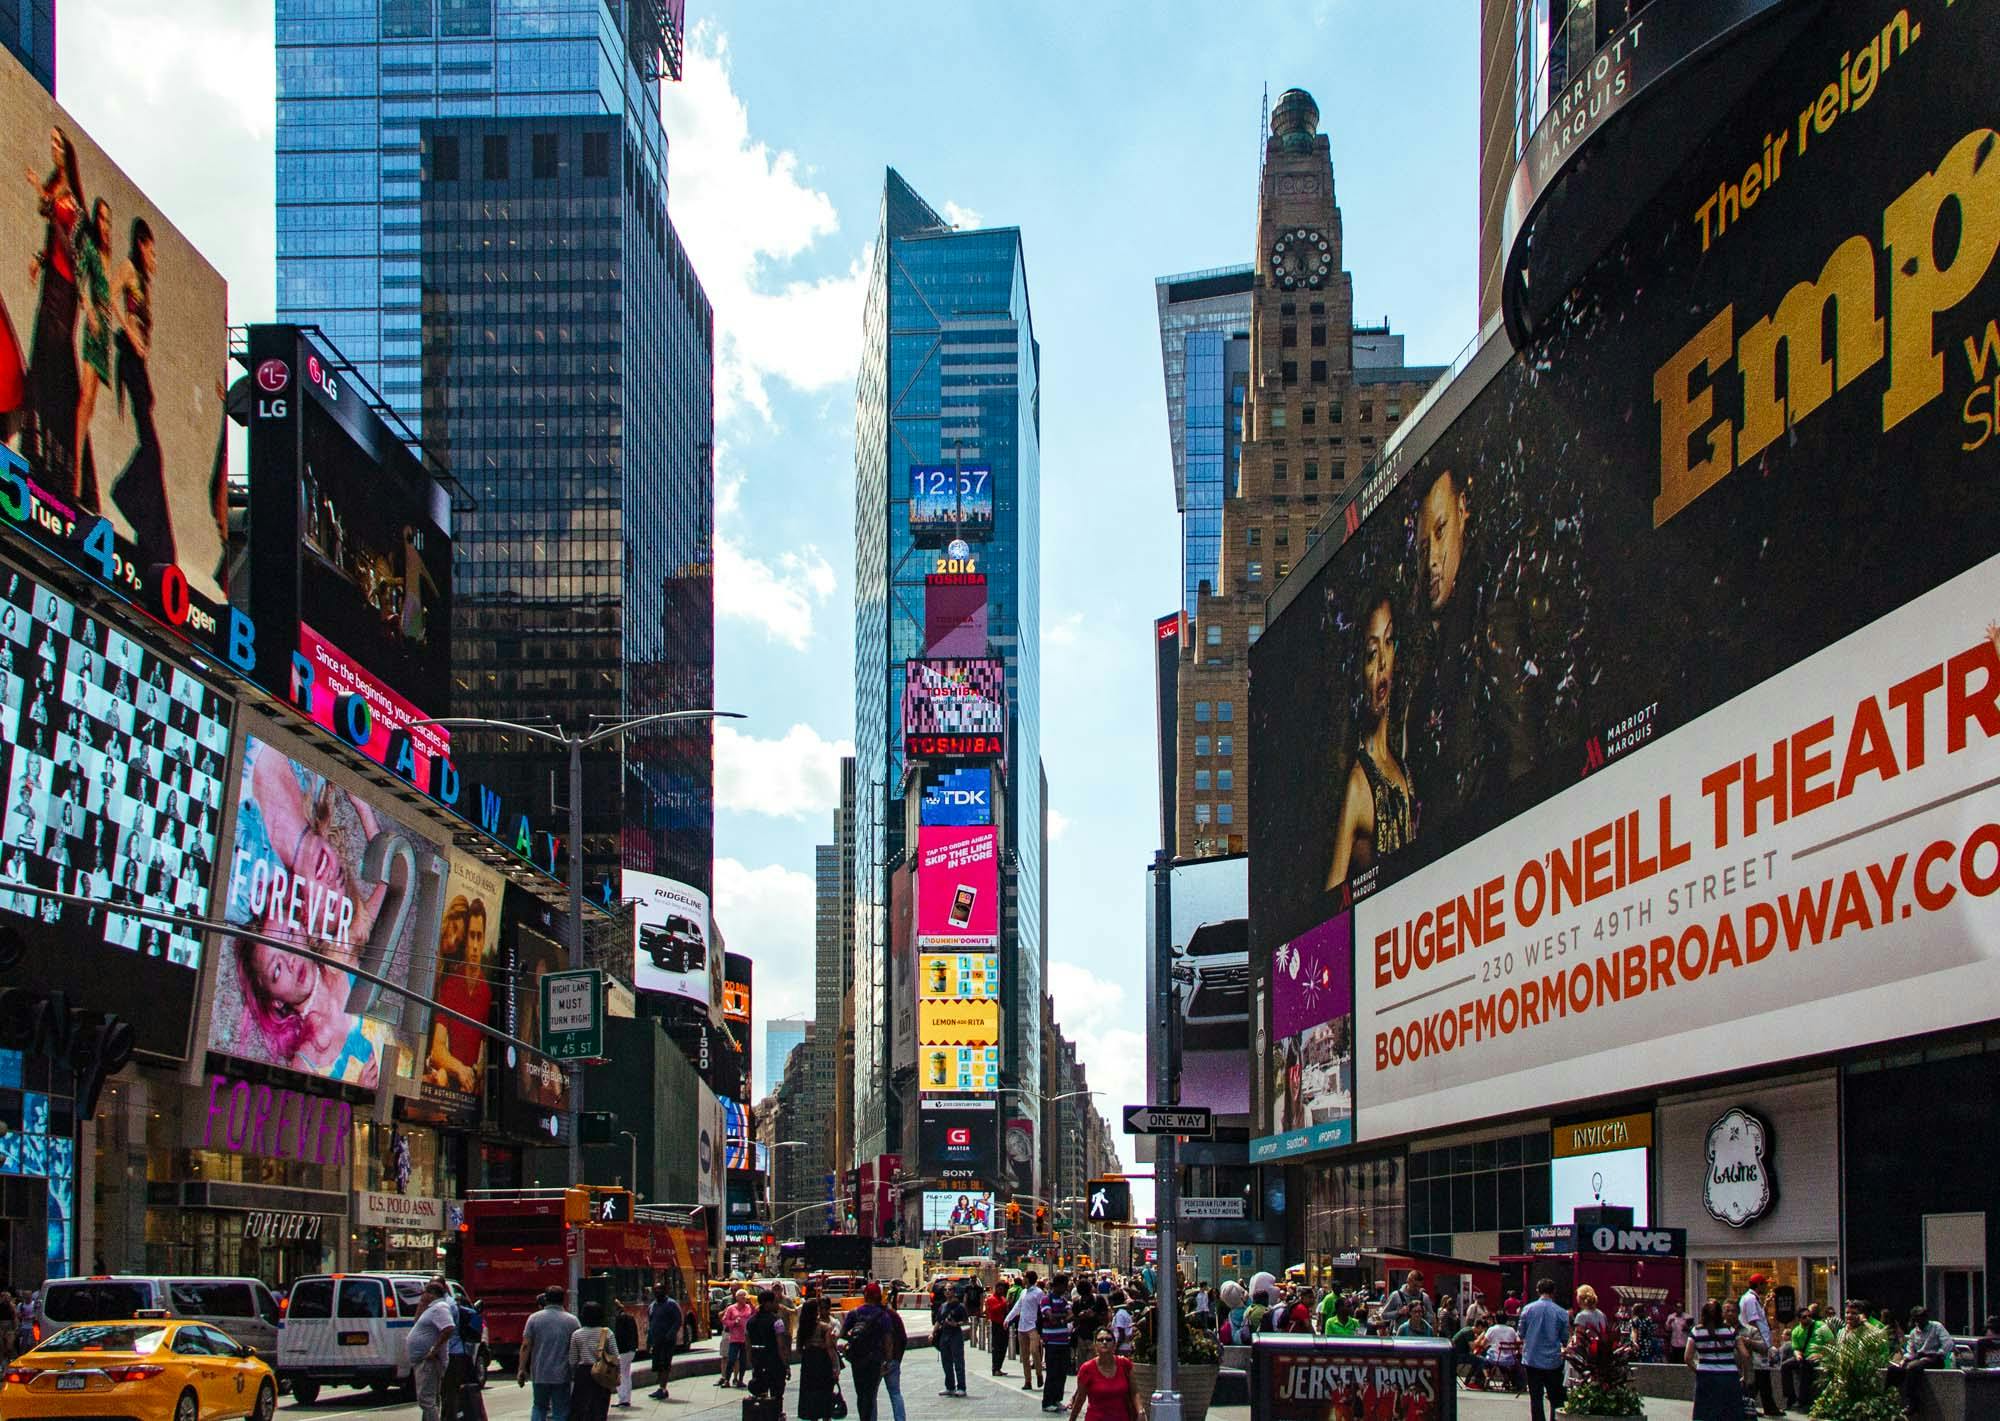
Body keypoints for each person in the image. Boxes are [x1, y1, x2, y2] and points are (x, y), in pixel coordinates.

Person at [1406, 465, 1538, 837]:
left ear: (1464, 510)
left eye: (1440, 530)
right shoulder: (1432, 660)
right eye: (1421, 547)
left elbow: (1522, 760)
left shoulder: (1492, 616)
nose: (1431, 559)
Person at [517, 1288, 580, 1421]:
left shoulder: (534, 1319)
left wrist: (521, 1369)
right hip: (562, 1375)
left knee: (539, 1407)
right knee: (561, 1410)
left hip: (540, 1374)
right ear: (563, 1299)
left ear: (546, 1299)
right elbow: (577, 1347)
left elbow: (526, 1345)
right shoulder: (572, 1320)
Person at [841, 1280, 895, 1421]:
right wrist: (888, 1361)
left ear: (865, 1295)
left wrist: (854, 1340)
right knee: (870, 1394)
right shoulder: (883, 1316)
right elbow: (888, 1341)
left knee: (860, 1393)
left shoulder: (855, 1313)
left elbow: (842, 1333)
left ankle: (863, 1418)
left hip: (858, 1359)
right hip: (875, 1359)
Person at [1067, 1328, 1146, 1421]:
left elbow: (1134, 1392)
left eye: (1108, 1339)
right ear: (1095, 1345)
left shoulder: (1125, 1364)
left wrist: (1140, 1411)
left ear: (1114, 1345)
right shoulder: (1086, 1369)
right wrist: (1072, 1419)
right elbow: (1080, 1399)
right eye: (1100, 1340)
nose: (1104, 1342)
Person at [1519, 1278, 1570, 1421]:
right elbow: (1565, 1337)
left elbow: (1521, 1333)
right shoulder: (1561, 1312)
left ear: (1538, 1291)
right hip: (1553, 1360)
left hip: (1532, 1358)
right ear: (1554, 1292)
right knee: (1556, 1397)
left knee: (1535, 1396)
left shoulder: (1527, 1309)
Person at [1688, 1299, 1748, 1421]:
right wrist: (1744, 1376)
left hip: (1706, 1376)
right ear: (1721, 1314)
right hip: (1729, 1377)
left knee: (1705, 1413)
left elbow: (1687, 1358)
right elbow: (1745, 1355)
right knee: (1730, 1414)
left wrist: (1698, 1371)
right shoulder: (1731, 1330)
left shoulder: (1697, 1331)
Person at [1887, 1305, 1954, 1412]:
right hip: (1918, 1358)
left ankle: (1913, 1402)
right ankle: (1889, 1398)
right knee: (1894, 1369)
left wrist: (1939, 1353)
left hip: (1934, 1358)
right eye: (1917, 1320)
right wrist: (1904, 1359)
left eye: (1922, 1319)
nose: (1920, 1323)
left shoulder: (1936, 1327)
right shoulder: (1914, 1332)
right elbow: (1911, 1350)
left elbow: (1948, 1343)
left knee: (1912, 1367)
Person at [408, 1278, 458, 1421]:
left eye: (424, 1293)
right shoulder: (431, 1308)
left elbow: (448, 1328)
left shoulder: (440, 1307)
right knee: (427, 1399)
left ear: (432, 1294)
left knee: (427, 1400)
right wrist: (422, 1304)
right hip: (423, 1360)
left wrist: (433, 1350)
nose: (422, 1296)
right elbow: (416, 1321)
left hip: (429, 1361)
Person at [1739, 1276, 1780, 1417]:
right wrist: (1761, 1343)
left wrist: (1766, 1304)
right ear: (1758, 1284)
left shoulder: (1753, 1298)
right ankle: (1750, 1404)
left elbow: (1759, 1316)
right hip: (1757, 1343)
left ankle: (1763, 1405)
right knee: (1759, 1375)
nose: (1765, 1287)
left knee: (1761, 1376)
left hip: (1758, 1342)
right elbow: (1753, 1321)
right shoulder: (1750, 1299)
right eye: (1764, 1284)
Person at [566, 1300, 614, 1421]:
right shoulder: (607, 1333)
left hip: (583, 1373)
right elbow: (615, 1356)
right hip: (602, 1373)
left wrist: (572, 1375)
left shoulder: (577, 1334)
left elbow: (572, 1359)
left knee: (581, 1407)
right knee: (600, 1407)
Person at [796, 1300, 842, 1421]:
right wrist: (835, 1367)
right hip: (822, 1362)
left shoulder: (802, 1328)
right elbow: (829, 1348)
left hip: (808, 1362)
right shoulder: (824, 1327)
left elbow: (799, 1349)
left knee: (811, 1394)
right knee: (825, 1393)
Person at [1782, 1302, 1833, 1411]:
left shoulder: (1821, 1326)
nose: (1808, 1318)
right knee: (1785, 1366)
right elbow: (1796, 1348)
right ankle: (1790, 1397)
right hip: (1804, 1356)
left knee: (1805, 1367)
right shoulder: (1796, 1331)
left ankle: (1803, 1400)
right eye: (1805, 1317)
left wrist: (1821, 1354)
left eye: (1809, 1315)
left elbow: (1832, 1343)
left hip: (1819, 1356)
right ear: (1799, 1319)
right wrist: (1797, 1354)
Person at [746, 1289, 791, 1407]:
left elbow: (748, 1345)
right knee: (777, 1395)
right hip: (775, 1362)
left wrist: (751, 1361)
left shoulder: (750, 1322)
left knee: (761, 1395)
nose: (778, 1305)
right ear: (767, 1303)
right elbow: (781, 1346)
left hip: (758, 1362)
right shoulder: (777, 1322)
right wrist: (786, 1365)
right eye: (775, 1302)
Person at [1007, 1269, 1049, 1392]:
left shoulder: (1038, 1293)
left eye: (1025, 1277)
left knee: (1035, 1350)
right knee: (1024, 1355)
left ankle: (1039, 1374)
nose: (1023, 1279)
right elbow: (1017, 1307)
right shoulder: (1023, 1292)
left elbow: (1042, 1309)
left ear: (1029, 1279)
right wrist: (1008, 1319)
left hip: (1033, 1326)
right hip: (1022, 1326)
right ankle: (1028, 1380)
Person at [1039, 1273, 1075, 1413]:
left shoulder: (1063, 1300)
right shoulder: (1046, 1300)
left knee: (1062, 1372)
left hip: (1063, 1342)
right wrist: (1062, 1318)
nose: (1066, 1288)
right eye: (1064, 1285)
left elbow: (1071, 1315)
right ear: (1058, 1285)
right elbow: (1050, 1317)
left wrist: (1059, 1318)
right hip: (1051, 1342)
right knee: (1052, 1372)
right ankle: (1047, 1401)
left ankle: (1057, 1399)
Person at [645, 1285, 681, 1401]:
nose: (657, 1292)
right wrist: (649, 1341)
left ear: (665, 1291)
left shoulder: (671, 1304)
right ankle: (660, 1388)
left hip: (667, 1341)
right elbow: (651, 1324)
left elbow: (678, 1321)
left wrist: (670, 1334)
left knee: (665, 1364)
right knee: (658, 1365)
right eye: (655, 1290)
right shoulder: (652, 1306)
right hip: (656, 1340)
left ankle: (663, 1388)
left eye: (660, 1290)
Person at [1568, 1285, 1607, 1387]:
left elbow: (1578, 1337)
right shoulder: (1601, 1314)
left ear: (1580, 1298)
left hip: (1584, 1355)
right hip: (1599, 1355)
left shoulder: (1581, 1316)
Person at [935, 1280, 969, 1397]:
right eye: (945, 1290)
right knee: (946, 1362)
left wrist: (957, 1324)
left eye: (950, 1290)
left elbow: (966, 1321)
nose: (947, 1292)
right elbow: (938, 1321)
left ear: (954, 1292)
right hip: (944, 1335)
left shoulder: (960, 1307)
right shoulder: (943, 1306)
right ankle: (949, 1386)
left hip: (955, 1335)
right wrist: (933, 1333)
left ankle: (961, 1387)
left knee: (958, 1361)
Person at [716, 1288, 754, 1388]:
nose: (743, 1298)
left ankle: (740, 1380)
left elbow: (754, 1315)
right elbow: (724, 1320)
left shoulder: (748, 1307)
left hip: (745, 1338)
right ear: (737, 1297)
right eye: (741, 1296)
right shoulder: (731, 1308)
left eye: (744, 1296)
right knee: (731, 1359)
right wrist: (733, 1323)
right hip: (734, 1338)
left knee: (743, 1361)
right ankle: (727, 1380)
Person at [609, 1298, 639, 1407]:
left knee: (618, 1374)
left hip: (622, 1351)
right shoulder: (630, 1317)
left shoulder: (617, 1320)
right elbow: (635, 1333)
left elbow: (618, 1337)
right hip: (631, 1350)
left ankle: (623, 1399)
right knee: (626, 1374)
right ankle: (627, 1398)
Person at [986, 1282, 1011, 1374]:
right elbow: (992, 1310)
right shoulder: (991, 1299)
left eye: (1002, 1288)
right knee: (996, 1347)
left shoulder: (1003, 1299)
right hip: (996, 1324)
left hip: (1004, 1325)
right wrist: (1004, 1305)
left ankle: (999, 1367)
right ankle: (995, 1368)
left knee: (1003, 1347)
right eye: (999, 1288)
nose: (1001, 1290)